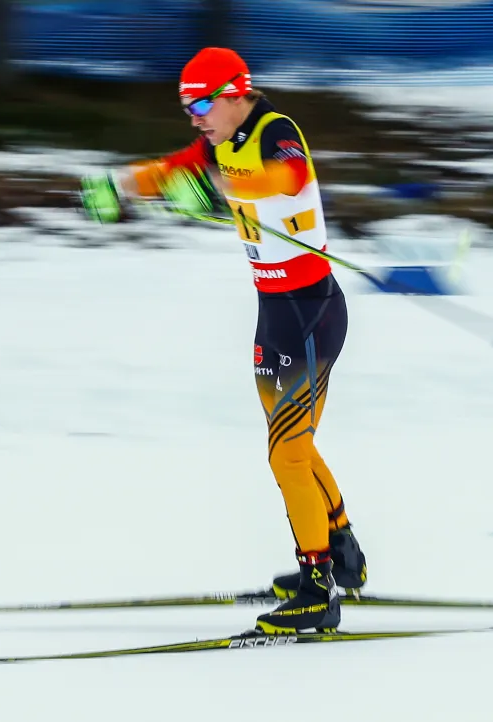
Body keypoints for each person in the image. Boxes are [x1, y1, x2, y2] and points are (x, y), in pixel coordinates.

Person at [79, 47, 366, 634]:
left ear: (238, 92)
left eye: (205, 103)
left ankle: (317, 589)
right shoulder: (218, 142)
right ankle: (342, 554)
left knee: (286, 453)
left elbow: (286, 179)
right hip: (276, 312)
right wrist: (118, 186)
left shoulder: (274, 130)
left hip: (311, 311)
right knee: (293, 447)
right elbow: (170, 171)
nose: (196, 117)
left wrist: (218, 187)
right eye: (188, 106)